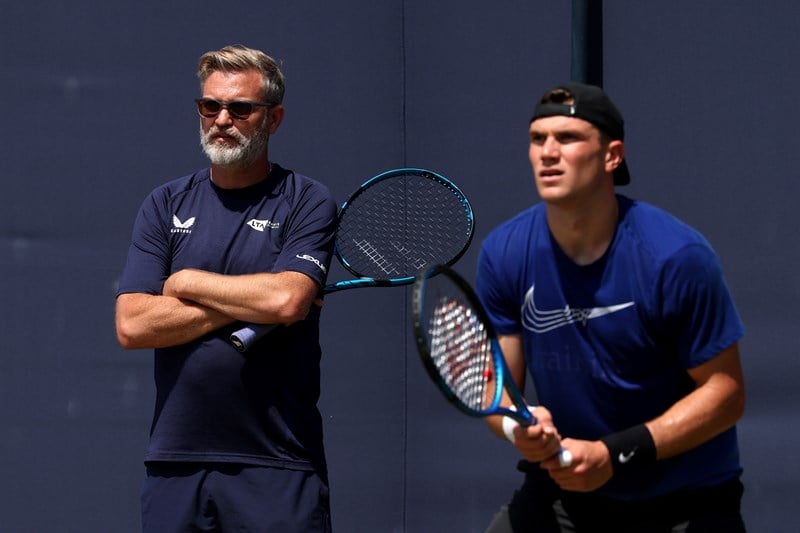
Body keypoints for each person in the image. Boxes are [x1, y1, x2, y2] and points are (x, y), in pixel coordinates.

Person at [478, 82, 747, 532]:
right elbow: (494, 386)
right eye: (537, 138)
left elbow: (726, 394)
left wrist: (614, 453)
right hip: (567, 496)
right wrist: (515, 426)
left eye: (567, 138)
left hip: (684, 501)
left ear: (611, 156)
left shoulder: (676, 257)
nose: (547, 152)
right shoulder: (505, 252)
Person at [115, 45, 338, 532]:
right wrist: (255, 303)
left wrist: (187, 282)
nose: (221, 119)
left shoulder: (307, 200)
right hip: (175, 464)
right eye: (208, 106)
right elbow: (133, 324)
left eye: (240, 108)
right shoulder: (164, 203)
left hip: (278, 465)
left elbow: (287, 299)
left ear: (273, 118)